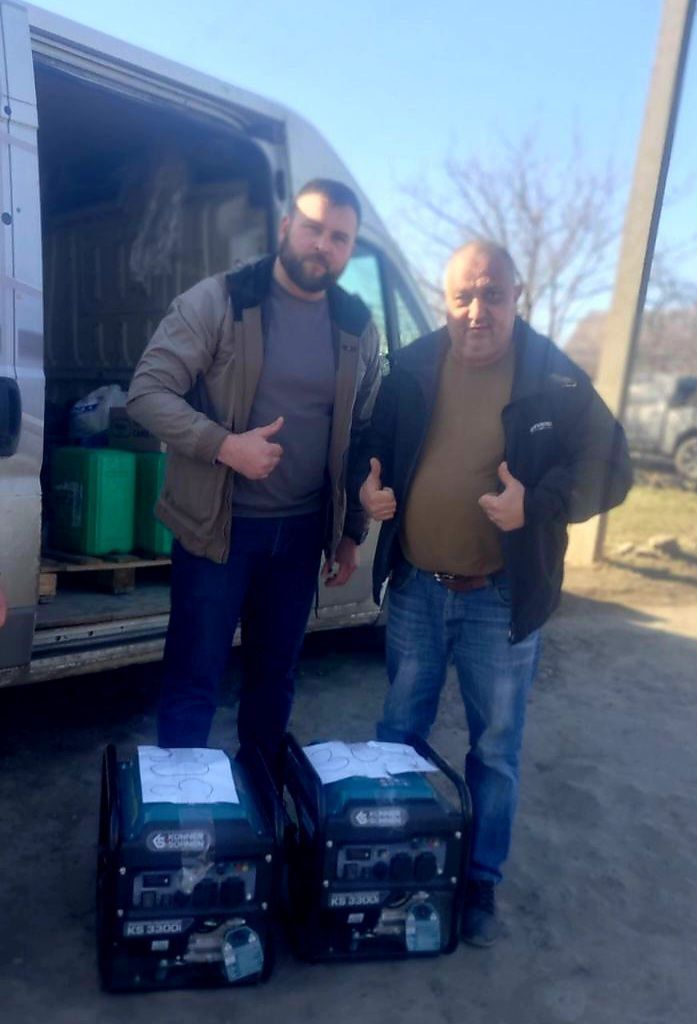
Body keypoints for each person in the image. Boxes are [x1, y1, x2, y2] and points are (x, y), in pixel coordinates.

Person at [359, 239, 632, 947]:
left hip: (500, 599)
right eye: (463, 296)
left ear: (517, 297)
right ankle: (393, 860)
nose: (477, 311)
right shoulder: (411, 365)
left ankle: (479, 880)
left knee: (496, 749)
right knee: (399, 732)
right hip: (417, 588)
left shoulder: (553, 377)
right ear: (445, 298)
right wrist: (367, 488)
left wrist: (536, 504)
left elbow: (613, 465)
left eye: (493, 295)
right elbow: (372, 445)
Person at [128, 178, 380, 772]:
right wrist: (224, 446)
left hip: (300, 536)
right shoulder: (219, 300)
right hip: (219, 531)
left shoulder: (356, 325)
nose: (323, 245)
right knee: (195, 678)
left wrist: (351, 531)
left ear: (349, 249)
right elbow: (147, 392)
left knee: (274, 681)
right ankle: (186, 812)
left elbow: (361, 434)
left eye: (339, 238)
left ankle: (262, 797)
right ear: (287, 226)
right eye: (313, 228)